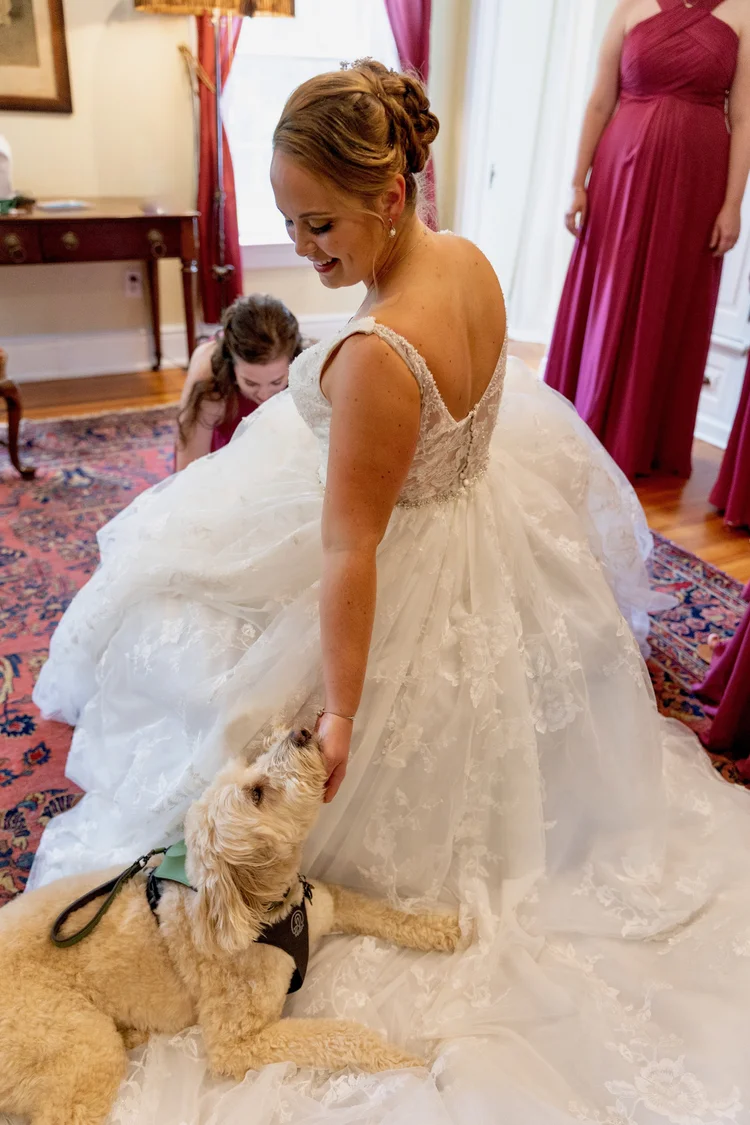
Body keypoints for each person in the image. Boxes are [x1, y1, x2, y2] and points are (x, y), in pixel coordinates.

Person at [28, 61, 750, 1122]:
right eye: (288, 221)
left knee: (205, 643)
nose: (307, 249)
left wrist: (340, 711)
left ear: (391, 194)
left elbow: (348, 552)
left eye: (320, 225)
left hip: (403, 555)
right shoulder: (466, 261)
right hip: (480, 525)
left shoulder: (373, 355)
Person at [544, 0, 750, 480]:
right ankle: (585, 416)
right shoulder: (630, 8)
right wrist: (578, 181)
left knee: (670, 298)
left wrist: (732, 204)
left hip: (698, 185)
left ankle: (642, 436)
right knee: (610, 291)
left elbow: (743, 118)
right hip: (621, 174)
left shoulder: (742, 12)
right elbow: (600, 101)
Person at [175, 294, 303, 470]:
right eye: (251, 383)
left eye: (276, 382)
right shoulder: (208, 382)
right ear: (231, 366)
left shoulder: (309, 368)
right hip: (221, 460)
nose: (264, 395)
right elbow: (187, 470)